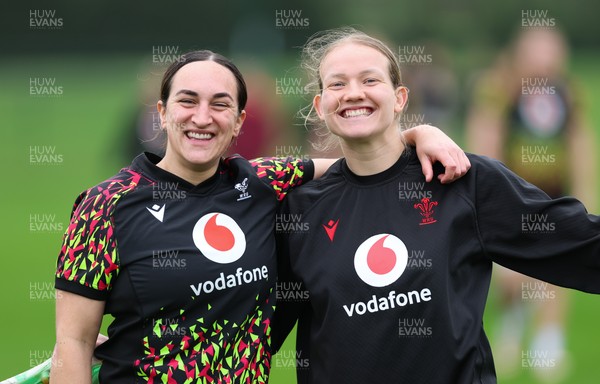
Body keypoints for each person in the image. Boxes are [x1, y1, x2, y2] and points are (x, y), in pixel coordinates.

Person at [46, 49, 468, 384]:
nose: (202, 117)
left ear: (238, 122)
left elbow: (358, 164)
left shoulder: (264, 181)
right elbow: (74, 341)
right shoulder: (106, 206)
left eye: (220, 104)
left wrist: (417, 133)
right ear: (161, 113)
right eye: (187, 101)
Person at [272, 27, 600, 384]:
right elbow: (255, 330)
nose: (353, 93)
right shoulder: (300, 213)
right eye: (337, 84)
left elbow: (579, 243)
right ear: (320, 107)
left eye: (369, 80)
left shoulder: (460, 182)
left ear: (400, 98)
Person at [466, 27, 597, 381]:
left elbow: (579, 141)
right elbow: (485, 141)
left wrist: (585, 190)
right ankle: (513, 324)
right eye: (539, 53)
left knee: (560, 264)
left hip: (554, 193)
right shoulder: (500, 89)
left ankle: (548, 346)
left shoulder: (567, 93)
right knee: (513, 277)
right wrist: (489, 194)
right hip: (512, 195)